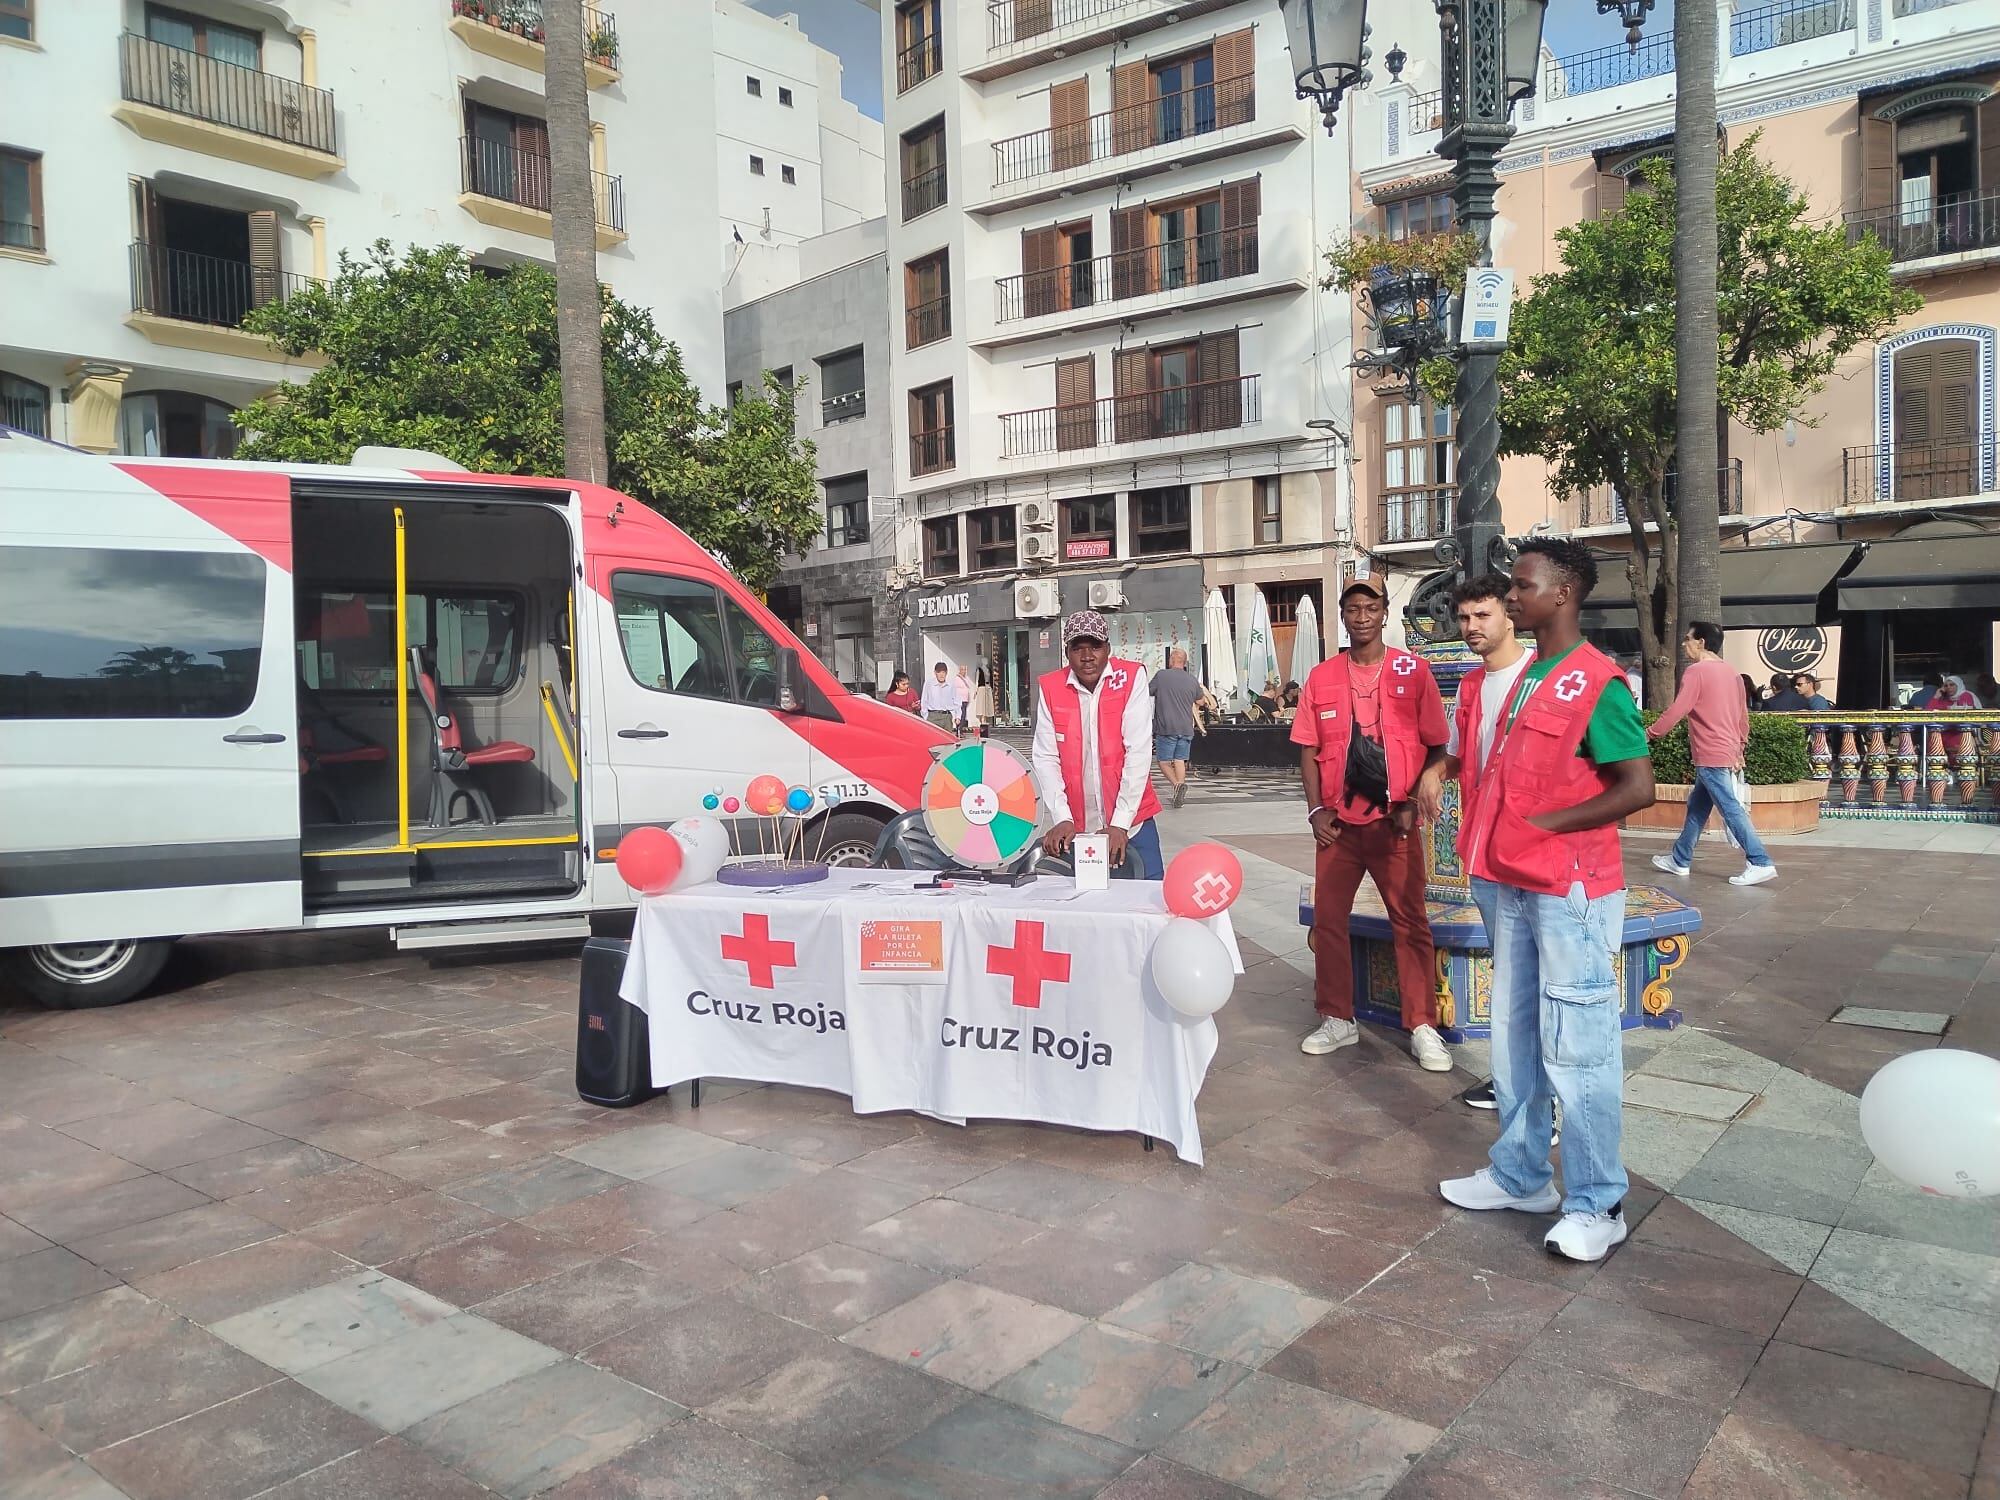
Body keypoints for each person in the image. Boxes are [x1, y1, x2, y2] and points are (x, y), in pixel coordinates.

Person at [1437, 538, 1656, 1263]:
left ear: (1562, 594)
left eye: (1524, 585)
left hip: (1569, 892)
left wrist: (1547, 825)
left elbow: (1637, 787)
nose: (1514, 594)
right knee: (1514, 1038)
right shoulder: (1530, 675)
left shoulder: (1598, 681)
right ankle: (1521, 1174)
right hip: (1507, 884)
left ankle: (1598, 1202)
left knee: (1579, 1048)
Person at [1293, 578, 1453, 1073]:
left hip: (1395, 823)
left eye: (1371, 606)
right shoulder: (1321, 677)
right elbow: (1307, 748)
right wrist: (1316, 810)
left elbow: (1437, 743)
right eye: (1352, 608)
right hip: (1339, 826)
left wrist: (1415, 793)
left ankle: (1422, 1024)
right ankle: (1338, 1017)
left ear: (1385, 612)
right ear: (1342, 616)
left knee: (1410, 921)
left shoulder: (1414, 670)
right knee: (1329, 920)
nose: (1361, 616)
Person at [1414, 574, 1540, 1118]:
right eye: (1464, 618)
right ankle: (1510, 1079)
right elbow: (1466, 753)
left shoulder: (1540, 677)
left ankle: (1545, 1099)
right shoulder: (1470, 686)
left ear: (1509, 615)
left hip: (1537, 855)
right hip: (1486, 853)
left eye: (1483, 616)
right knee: (1509, 975)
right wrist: (1437, 770)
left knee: (1542, 980)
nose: (1471, 628)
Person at [1031, 610, 1164, 878]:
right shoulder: (1051, 687)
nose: (1087, 656)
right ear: (1067, 652)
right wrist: (1061, 817)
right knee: (1087, 911)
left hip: (1133, 825)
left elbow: (1137, 751)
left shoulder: (1130, 677)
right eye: (1077, 648)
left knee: (1149, 904)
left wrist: (1121, 823)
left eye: (1095, 646)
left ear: (1108, 648)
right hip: (1077, 829)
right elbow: (1046, 757)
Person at [1648, 621, 1777, 887]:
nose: (1684, 644)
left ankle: (1760, 860)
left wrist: (1649, 734)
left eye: (1687, 639)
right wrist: (1740, 747)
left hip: (1710, 751)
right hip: (1725, 750)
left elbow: (1678, 709)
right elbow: (1743, 716)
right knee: (1698, 806)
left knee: (1730, 808)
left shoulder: (1696, 672)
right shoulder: (1732, 673)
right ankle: (1680, 859)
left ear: (1702, 642)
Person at [1150, 647, 1212, 809]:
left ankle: (1177, 785)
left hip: (1167, 726)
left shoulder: (1162, 676)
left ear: (1171, 660)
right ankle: (1180, 789)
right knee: (1179, 760)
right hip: (1186, 727)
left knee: (1163, 761)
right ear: (1184, 663)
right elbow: (1200, 702)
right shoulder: (1192, 680)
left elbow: (1147, 691)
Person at [920, 662, 959, 733]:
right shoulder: (929, 684)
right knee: (932, 740)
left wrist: (958, 716)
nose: (941, 674)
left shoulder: (951, 685)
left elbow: (957, 701)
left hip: (946, 716)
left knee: (948, 741)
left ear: (946, 673)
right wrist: (925, 716)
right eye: (939, 672)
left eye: (943, 672)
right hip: (933, 716)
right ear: (935, 673)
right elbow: (924, 700)